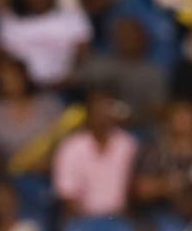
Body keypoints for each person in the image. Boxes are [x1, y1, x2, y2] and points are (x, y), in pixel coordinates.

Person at [52, 90, 138, 218]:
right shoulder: (71, 146)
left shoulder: (128, 144)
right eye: (97, 110)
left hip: (119, 217)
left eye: (106, 109)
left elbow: (134, 187)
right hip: (82, 218)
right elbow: (67, 194)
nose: (102, 115)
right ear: (88, 114)